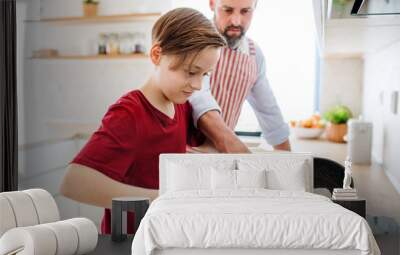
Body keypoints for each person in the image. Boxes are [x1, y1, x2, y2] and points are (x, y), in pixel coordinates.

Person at [59, 8, 226, 234]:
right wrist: (160, 198)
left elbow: (206, 146)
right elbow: (74, 183)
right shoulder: (129, 113)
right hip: (128, 246)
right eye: (191, 72)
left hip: (162, 235)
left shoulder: (180, 104)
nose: (197, 85)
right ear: (157, 55)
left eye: (205, 75)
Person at [189, 0, 291, 152]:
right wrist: (234, 146)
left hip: (221, 155)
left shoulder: (254, 54)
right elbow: (199, 99)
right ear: (212, 4)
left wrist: (288, 160)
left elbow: (269, 111)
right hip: (185, 153)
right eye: (228, 10)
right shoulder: (194, 41)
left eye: (245, 11)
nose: (236, 21)